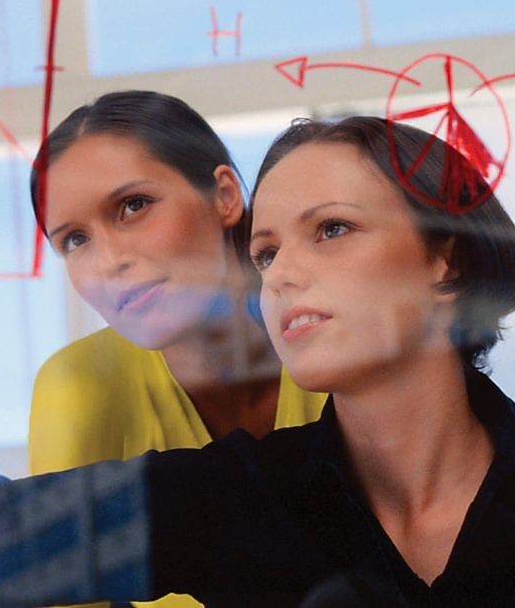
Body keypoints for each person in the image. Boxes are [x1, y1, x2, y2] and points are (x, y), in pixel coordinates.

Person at [0, 1, 515, 606]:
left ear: (444, 256)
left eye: (331, 229)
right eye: (266, 252)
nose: (283, 273)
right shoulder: (236, 498)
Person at [28, 91, 326, 608]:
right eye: (75, 240)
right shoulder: (79, 389)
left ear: (225, 196)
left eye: (133, 206)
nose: (108, 261)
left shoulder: (337, 339)